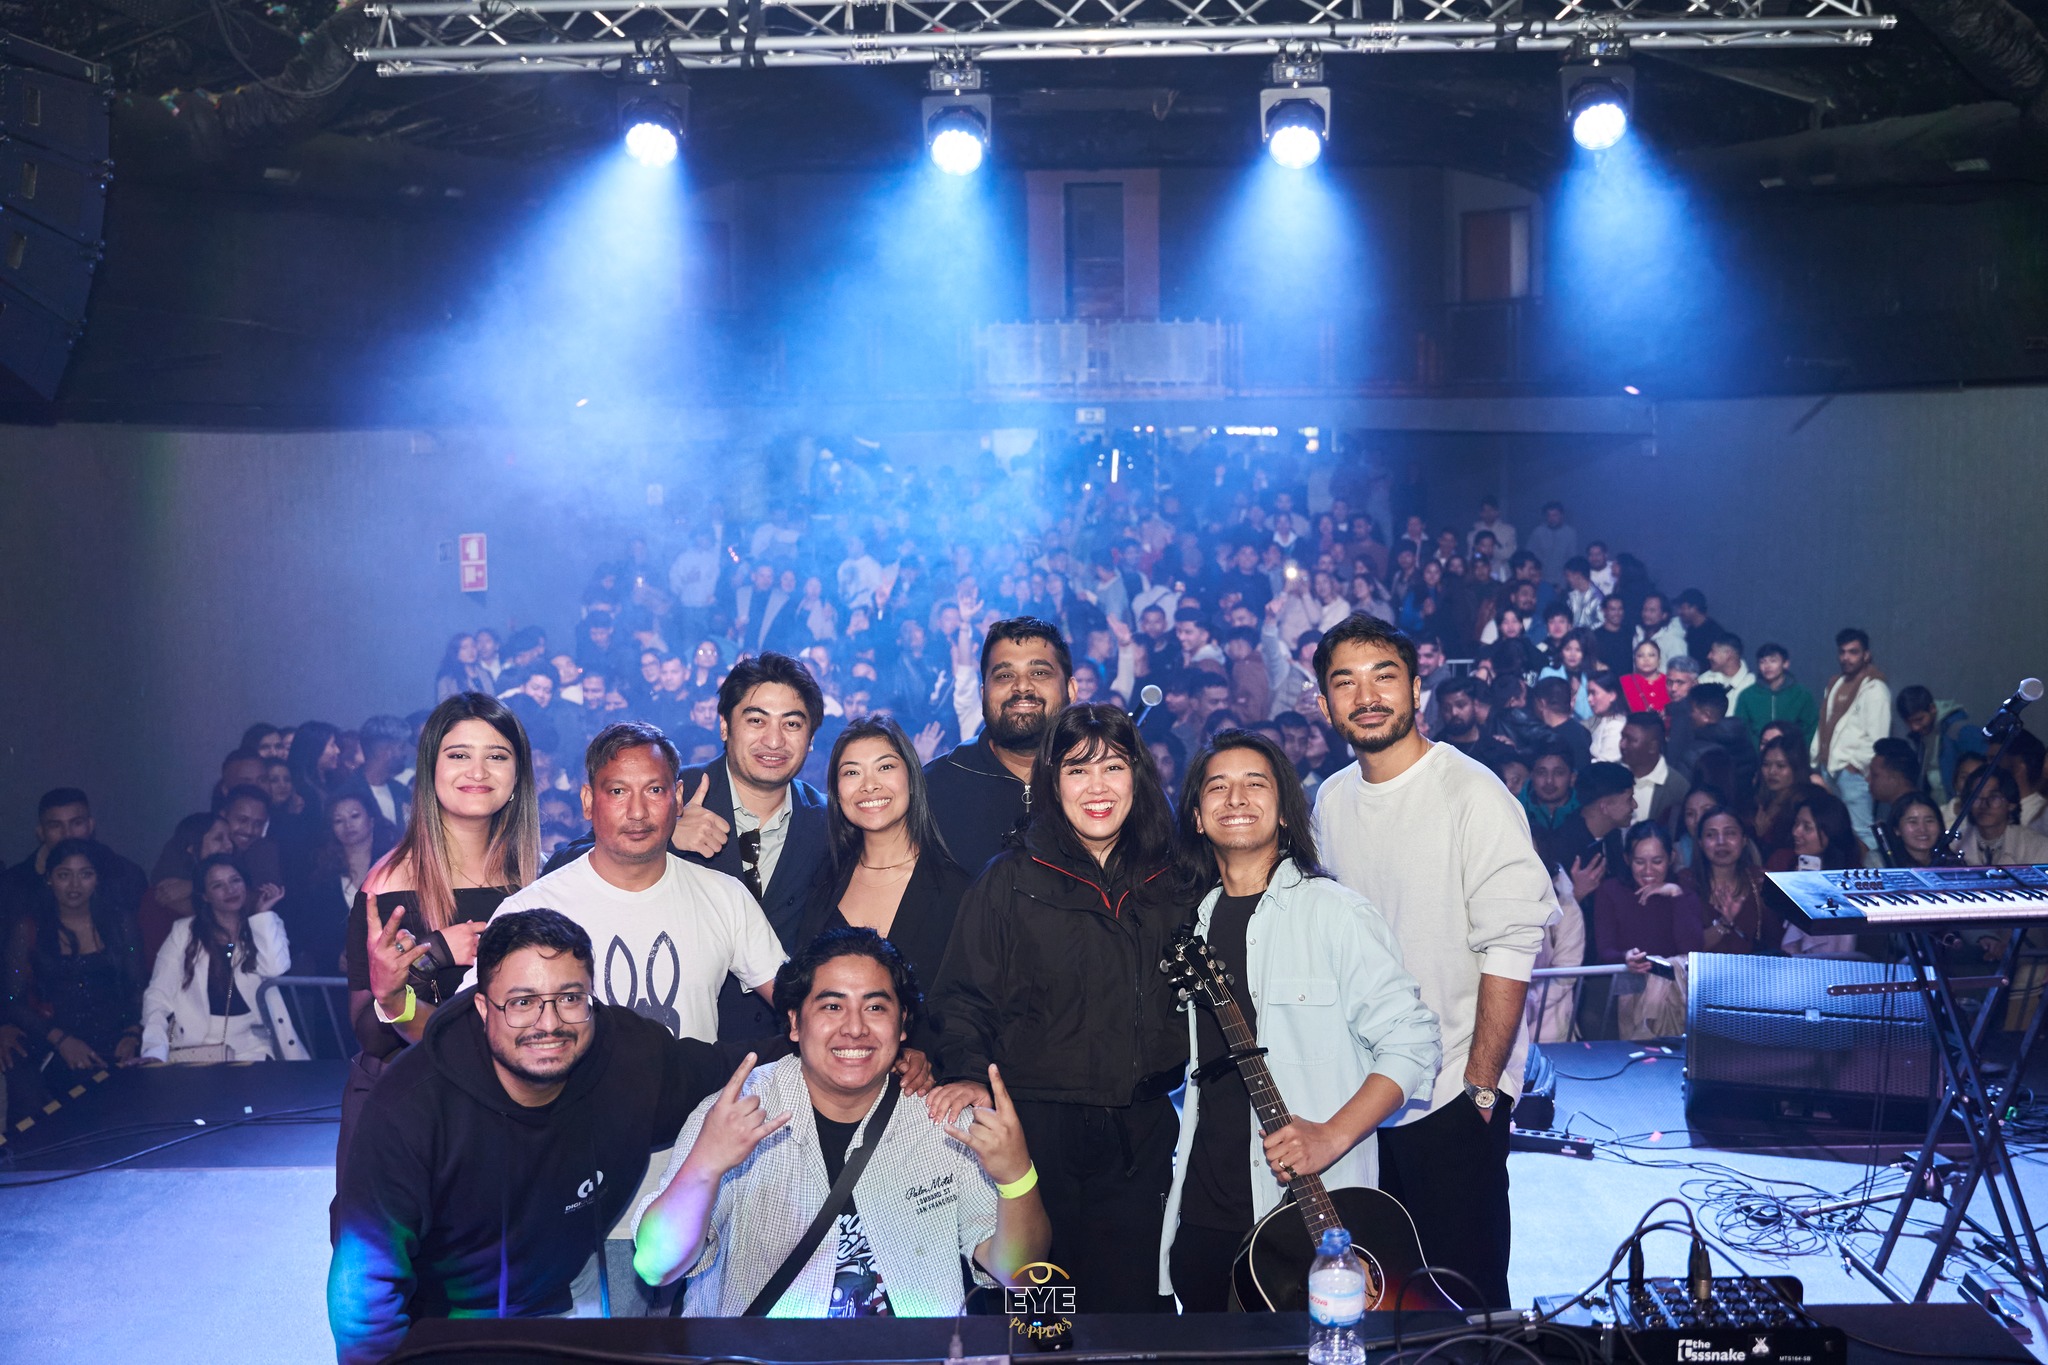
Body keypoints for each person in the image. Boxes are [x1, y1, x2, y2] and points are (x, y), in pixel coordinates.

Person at [328, 910, 785, 1364]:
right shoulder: (411, 1106)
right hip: (443, 1321)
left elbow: (725, 1068)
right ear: (483, 1008)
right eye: (522, 1002)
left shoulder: (628, 1056)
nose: (549, 1024)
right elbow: (363, 1297)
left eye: (569, 997)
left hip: (564, 1296)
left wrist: (814, 1037)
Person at [1308, 613, 1557, 1309]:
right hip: (1364, 1100)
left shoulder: (1471, 792)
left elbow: (1512, 946)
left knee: (1466, 1298)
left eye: (1384, 676)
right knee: (1382, 1296)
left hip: (1453, 1092)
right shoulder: (1331, 798)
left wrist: (1481, 1090)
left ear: (1417, 689)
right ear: (1325, 704)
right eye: (1346, 682)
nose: (1367, 696)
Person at [927, 703, 1194, 1313]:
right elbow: (963, 996)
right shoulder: (1010, 879)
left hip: (1142, 1134)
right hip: (1038, 1134)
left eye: (1113, 767)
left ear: (1138, 777)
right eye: (1077, 770)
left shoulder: (1175, 880)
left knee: (1130, 1319)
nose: (1097, 787)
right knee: (1042, 1315)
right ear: (1052, 783)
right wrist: (966, 1073)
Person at [1158, 731, 1438, 1311]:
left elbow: (1413, 1043)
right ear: (1197, 817)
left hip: (1307, 1215)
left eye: (1255, 784)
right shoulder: (1190, 924)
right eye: (1217, 787)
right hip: (1204, 1212)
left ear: (1285, 811)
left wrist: (1331, 1135)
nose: (1236, 798)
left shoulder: (1335, 913)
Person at [634, 928, 1049, 1317]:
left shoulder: (943, 1120)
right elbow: (655, 1267)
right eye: (832, 1006)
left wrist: (1017, 1176)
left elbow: (1024, 1280)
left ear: (903, 1023)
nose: (854, 1028)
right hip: (761, 1356)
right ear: (795, 1023)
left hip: (912, 1355)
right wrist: (706, 1165)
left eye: (875, 1007)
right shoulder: (733, 1114)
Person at [338, 693, 540, 1233]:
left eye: (496, 756)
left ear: (517, 776)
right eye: (458, 755)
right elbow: (371, 1037)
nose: (478, 771)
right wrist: (434, 953)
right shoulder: (387, 886)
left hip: (513, 1116)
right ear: (429, 769)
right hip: (411, 1118)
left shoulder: (540, 881)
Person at [795, 718, 970, 1052]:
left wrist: (925, 1058)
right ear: (836, 792)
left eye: (885, 767)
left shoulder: (958, 891)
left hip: (929, 1079)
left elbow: (970, 1010)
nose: (869, 785)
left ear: (912, 779)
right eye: (852, 772)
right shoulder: (822, 882)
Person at [923, 618, 1077, 877]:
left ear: (1071, 689)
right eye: (1005, 676)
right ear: (983, 693)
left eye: (1039, 673)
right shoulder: (933, 788)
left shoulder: (1106, 784)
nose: (1022, 686)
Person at [4, 840, 148, 1088]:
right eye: (64, 875)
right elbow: (12, 1000)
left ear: (97, 878)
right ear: (49, 879)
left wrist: (133, 1033)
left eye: (85, 874)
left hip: (116, 1038)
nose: (74, 885)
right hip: (51, 1039)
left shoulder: (120, 923)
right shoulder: (29, 928)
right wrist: (60, 1040)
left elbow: (138, 986)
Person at [138, 853, 296, 1062]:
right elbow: (158, 995)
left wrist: (261, 915)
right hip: (195, 1045)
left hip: (254, 1045)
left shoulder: (265, 924)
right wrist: (154, 1051)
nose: (230, 890)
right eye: (217, 885)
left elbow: (274, 969)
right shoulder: (184, 932)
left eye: (235, 880)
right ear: (205, 896)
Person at [1591, 823, 1703, 1040]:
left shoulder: (1685, 894)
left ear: (1671, 858)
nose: (1648, 870)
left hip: (1675, 992)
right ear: (1627, 859)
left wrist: (1675, 895)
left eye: (1657, 861)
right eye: (1640, 862)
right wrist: (1626, 957)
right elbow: (1605, 949)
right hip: (1627, 986)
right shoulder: (1611, 891)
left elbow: (1692, 949)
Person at [0, 787, 149, 930]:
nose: (67, 834)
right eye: (55, 826)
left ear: (90, 826)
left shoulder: (125, 875)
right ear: (41, 833)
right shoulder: (13, 885)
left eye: (76, 823)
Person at [291, 790, 399, 979]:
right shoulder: (323, 875)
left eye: (355, 816)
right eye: (338, 820)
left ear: (371, 819)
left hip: (393, 972)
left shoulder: (395, 866)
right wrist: (335, 956)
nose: (348, 825)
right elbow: (311, 930)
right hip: (339, 979)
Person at [1812, 628, 1891, 846]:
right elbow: (1826, 725)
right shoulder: (1836, 684)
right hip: (1829, 768)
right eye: (1842, 652)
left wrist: (1855, 765)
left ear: (1866, 655)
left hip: (1853, 773)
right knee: (1835, 830)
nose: (1846, 657)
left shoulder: (1875, 689)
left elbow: (1879, 739)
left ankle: (1877, 868)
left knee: (1862, 831)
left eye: (1853, 652)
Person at [1682, 805, 1779, 954]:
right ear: (1700, 843)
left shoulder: (1760, 881)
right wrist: (1723, 923)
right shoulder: (1686, 882)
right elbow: (1686, 947)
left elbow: (1775, 943)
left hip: (1752, 967)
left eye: (1730, 833)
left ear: (1744, 840)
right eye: (1711, 835)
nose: (1721, 842)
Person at [1894, 685, 1986, 809]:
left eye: (1919, 719)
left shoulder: (1959, 731)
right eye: (1909, 723)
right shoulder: (1920, 736)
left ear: (1932, 709)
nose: (1915, 727)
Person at [1735, 644, 1819, 749]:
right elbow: (1742, 728)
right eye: (1762, 662)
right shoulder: (1747, 695)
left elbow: (1810, 727)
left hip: (1793, 753)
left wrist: (1796, 751)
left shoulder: (1802, 694)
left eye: (1773, 661)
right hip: (1756, 755)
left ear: (1785, 664)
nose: (1767, 666)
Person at [1960, 768, 2048, 869]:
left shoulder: (2037, 847)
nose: (1984, 805)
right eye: (1977, 797)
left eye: (1994, 797)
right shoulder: (1954, 845)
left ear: (2011, 804)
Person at [1687, 684, 1760, 802]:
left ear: (1707, 715)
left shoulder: (1696, 751)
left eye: (1692, 710)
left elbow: (1682, 791)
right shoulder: (1744, 740)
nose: (1689, 715)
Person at [1619, 712, 1690, 831]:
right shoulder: (1611, 776)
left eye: (1630, 740)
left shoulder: (1678, 788)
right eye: (1622, 737)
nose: (1622, 745)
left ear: (1653, 747)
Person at [1751, 736, 1813, 860]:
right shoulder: (1762, 802)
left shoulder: (1805, 806)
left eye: (1781, 766)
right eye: (1766, 765)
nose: (1772, 772)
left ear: (1796, 768)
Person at [1882, 792, 1945, 869]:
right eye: (1913, 822)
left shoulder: (1951, 862)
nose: (1922, 829)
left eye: (1929, 821)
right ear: (1897, 829)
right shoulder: (1880, 862)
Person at [1523, 502, 1576, 588]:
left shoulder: (1570, 533)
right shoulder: (1538, 532)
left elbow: (1571, 560)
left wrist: (1563, 583)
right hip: (1539, 581)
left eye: (1555, 515)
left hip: (1561, 581)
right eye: (1549, 515)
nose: (1551, 518)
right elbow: (1529, 557)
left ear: (1561, 516)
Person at [1633, 593, 1687, 667]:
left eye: (1652, 611)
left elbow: (1680, 670)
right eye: (1645, 609)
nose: (1646, 614)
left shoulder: (1675, 641)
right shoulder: (1638, 636)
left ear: (1664, 615)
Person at [1702, 634, 1756, 708]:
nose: (1709, 656)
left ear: (1728, 654)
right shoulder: (1705, 680)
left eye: (1713, 652)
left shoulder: (1753, 685)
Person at [1585, 670, 1627, 764]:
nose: (1589, 699)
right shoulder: (1600, 720)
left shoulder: (1617, 727)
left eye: (1593, 693)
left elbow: (1605, 764)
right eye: (1588, 694)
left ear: (1612, 695)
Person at [1621, 640, 1669, 715]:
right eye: (1640, 656)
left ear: (1659, 659)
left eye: (1651, 655)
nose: (1646, 659)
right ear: (1634, 660)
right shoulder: (1624, 681)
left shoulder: (1669, 681)